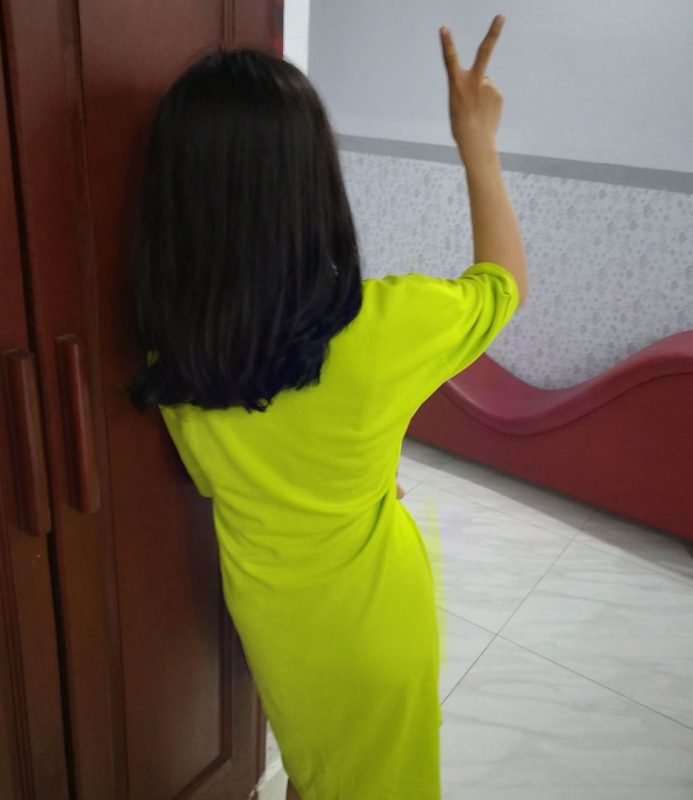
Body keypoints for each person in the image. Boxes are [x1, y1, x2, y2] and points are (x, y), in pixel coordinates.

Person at [127, 13, 526, 800]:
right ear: (315, 184)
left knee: (319, 772)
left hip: (279, 630)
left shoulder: (173, 360)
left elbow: (238, 472)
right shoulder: (387, 325)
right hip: (376, 620)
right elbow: (501, 285)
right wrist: (476, 142)